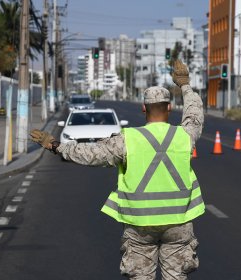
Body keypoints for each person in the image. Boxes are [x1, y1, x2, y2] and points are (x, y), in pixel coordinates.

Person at [30, 59, 205, 280]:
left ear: (143, 108)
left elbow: (91, 154)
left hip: (139, 224)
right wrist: (185, 85)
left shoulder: (127, 139)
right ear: (169, 108)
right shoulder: (184, 136)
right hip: (179, 223)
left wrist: (55, 146)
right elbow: (195, 115)